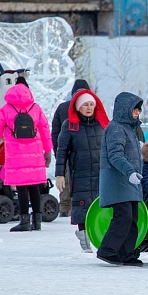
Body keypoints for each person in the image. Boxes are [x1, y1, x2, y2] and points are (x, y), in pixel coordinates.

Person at [0, 82, 53, 232]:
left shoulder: (6, 109)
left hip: (16, 153)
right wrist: (48, 151)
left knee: (22, 187)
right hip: (35, 153)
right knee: (35, 186)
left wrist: (8, 130)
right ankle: (37, 221)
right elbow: (45, 129)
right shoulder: (35, 108)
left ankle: (24, 221)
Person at [55, 89, 109, 253]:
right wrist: (59, 174)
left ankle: (101, 241)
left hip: (101, 174)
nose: (89, 107)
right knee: (82, 206)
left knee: (101, 207)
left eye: (91, 104)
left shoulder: (102, 124)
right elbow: (62, 151)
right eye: (85, 104)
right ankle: (84, 240)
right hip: (80, 173)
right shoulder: (70, 125)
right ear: (78, 107)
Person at [97, 92, 145, 266]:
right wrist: (130, 172)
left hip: (128, 181)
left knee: (133, 217)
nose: (137, 113)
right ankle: (107, 250)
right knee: (123, 216)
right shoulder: (116, 128)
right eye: (134, 110)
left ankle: (127, 253)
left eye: (139, 110)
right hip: (117, 180)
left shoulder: (130, 129)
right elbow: (115, 155)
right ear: (125, 110)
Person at [51, 79, 90, 217]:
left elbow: (55, 132)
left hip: (66, 149)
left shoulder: (62, 108)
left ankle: (65, 206)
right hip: (85, 150)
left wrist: (58, 152)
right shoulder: (90, 106)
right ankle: (84, 206)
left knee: (66, 178)